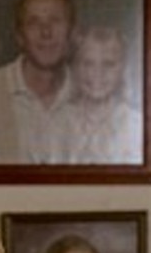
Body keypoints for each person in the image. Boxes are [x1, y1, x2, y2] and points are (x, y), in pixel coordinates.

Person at [0, 0, 75, 164]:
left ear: (72, 32)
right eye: (33, 23)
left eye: (55, 21)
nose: (46, 33)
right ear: (19, 36)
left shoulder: (92, 94)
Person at [61, 25, 143, 164]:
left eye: (109, 64)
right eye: (87, 64)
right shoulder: (58, 123)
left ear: (124, 68)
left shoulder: (137, 125)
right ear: (73, 68)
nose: (97, 73)